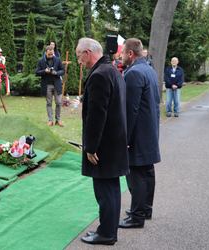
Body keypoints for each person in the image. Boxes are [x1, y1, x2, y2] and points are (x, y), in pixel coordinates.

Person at [76, 38, 129, 245]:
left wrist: (90, 147)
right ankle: (108, 230)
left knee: (105, 192)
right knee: (112, 190)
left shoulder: (99, 75)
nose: (79, 61)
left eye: (79, 55)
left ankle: (106, 233)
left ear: (87, 52)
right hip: (114, 142)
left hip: (103, 147)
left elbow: (97, 115)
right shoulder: (113, 70)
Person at [118, 38, 161, 229]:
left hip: (138, 132)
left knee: (137, 173)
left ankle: (137, 216)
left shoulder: (134, 73)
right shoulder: (149, 70)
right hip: (149, 129)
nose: (120, 56)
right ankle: (146, 209)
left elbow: (130, 109)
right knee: (148, 171)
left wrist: (125, 138)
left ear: (130, 54)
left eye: (122, 52)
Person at [36, 45, 65, 126]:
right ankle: (50, 120)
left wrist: (57, 73)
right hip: (47, 85)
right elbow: (37, 72)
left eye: (52, 54)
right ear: (46, 53)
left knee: (58, 102)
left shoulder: (57, 60)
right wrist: (44, 71)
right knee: (49, 103)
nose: (50, 56)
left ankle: (58, 120)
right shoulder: (41, 61)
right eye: (49, 54)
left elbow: (63, 70)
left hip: (57, 84)